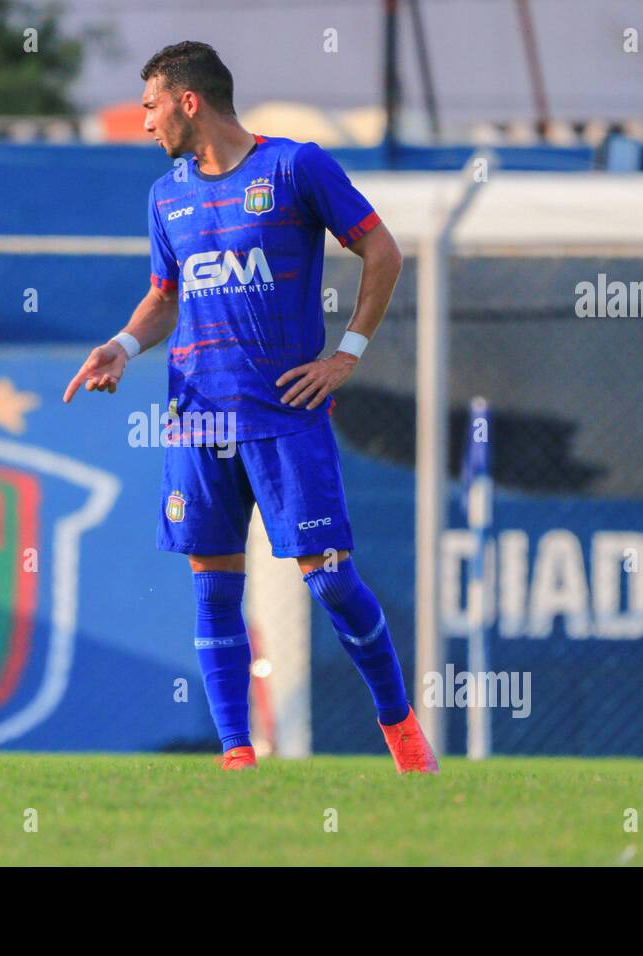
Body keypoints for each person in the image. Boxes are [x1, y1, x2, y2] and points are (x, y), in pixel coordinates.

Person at [63, 41, 438, 773]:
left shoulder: (296, 167)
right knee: (214, 587)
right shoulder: (166, 193)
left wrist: (345, 355)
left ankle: (401, 733)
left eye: (150, 105)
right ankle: (237, 756)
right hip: (198, 418)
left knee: (330, 579)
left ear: (188, 101)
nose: (145, 123)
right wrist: (122, 345)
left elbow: (383, 251)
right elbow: (166, 299)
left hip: (285, 416)